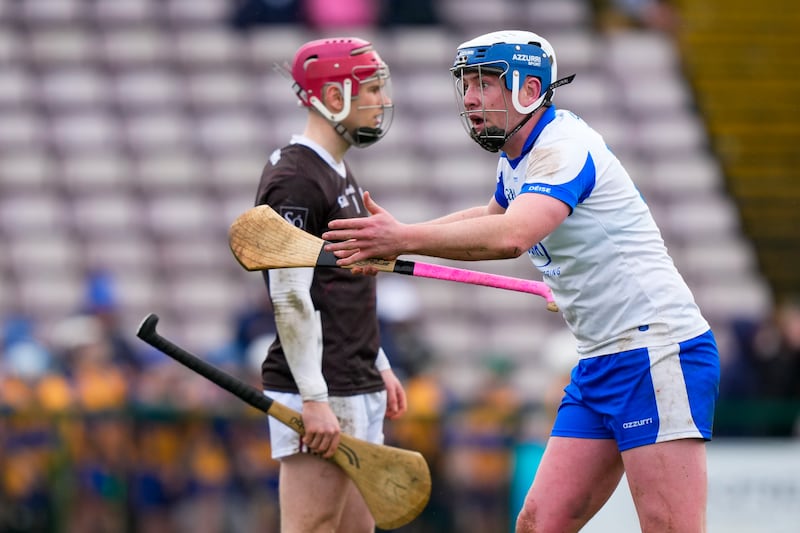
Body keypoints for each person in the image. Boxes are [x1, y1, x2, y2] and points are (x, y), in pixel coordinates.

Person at [322, 30, 721, 533]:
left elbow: (512, 235)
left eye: (486, 82)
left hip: (657, 353)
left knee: (670, 527)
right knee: (537, 522)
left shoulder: (564, 148)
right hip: (601, 358)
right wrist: (394, 240)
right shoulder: (519, 155)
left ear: (530, 90)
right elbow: (492, 214)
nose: (470, 96)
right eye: (466, 83)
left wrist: (402, 238)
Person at [253, 36, 407, 533]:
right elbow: (290, 295)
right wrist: (314, 398)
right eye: (370, 89)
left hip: (352, 375)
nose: (381, 100)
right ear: (333, 96)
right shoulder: (296, 178)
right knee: (312, 527)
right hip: (318, 386)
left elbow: (346, 284)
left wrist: (376, 361)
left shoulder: (336, 169)